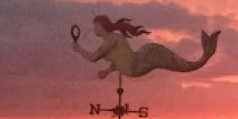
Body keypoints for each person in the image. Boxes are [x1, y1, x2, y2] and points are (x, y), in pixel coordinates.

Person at [71, 15, 220, 79]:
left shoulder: (112, 39)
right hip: (134, 64)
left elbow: (92, 58)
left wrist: (79, 50)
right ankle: (206, 53)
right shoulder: (111, 41)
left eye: (95, 26)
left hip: (137, 66)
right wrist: (107, 71)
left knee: (185, 65)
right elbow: (120, 60)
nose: (94, 29)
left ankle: (206, 54)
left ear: (100, 26)